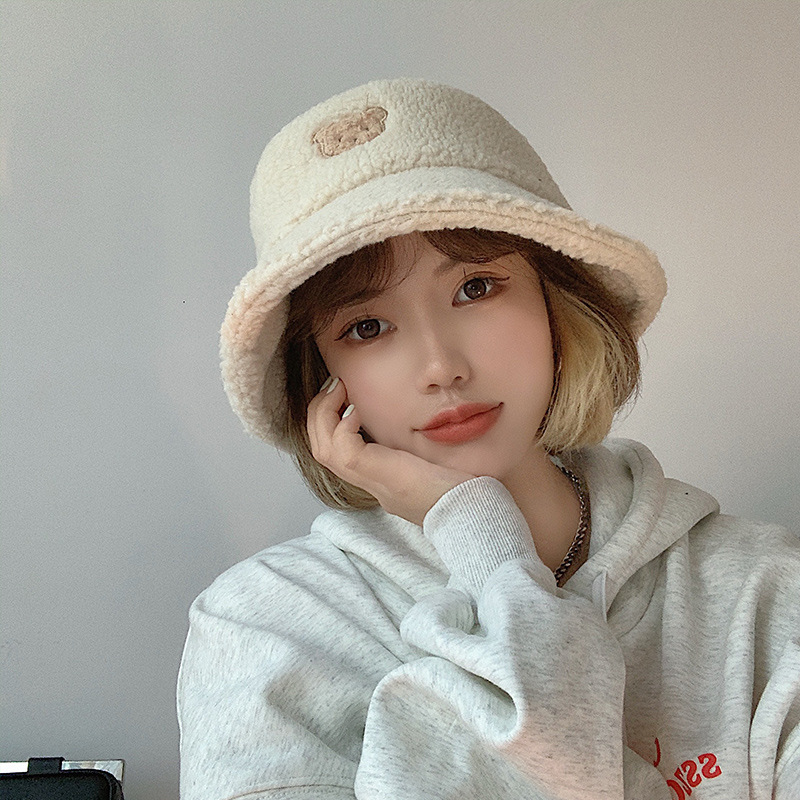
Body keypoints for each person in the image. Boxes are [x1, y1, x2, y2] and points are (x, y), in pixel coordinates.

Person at [177, 79, 800, 799]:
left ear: (557, 303)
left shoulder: (765, 590)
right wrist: (482, 541)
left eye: (475, 288)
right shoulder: (266, 627)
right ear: (323, 378)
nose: (441, 367)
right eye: (367, 327)